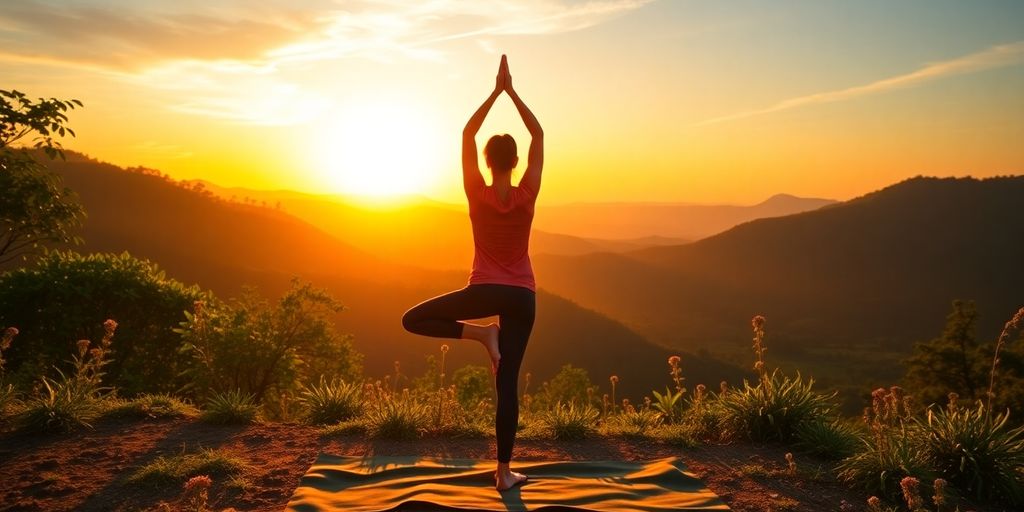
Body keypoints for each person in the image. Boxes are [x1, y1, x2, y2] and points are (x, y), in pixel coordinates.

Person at [401, 54, 543, 492]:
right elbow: (538, 132)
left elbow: (467, 132)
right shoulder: (527, 192)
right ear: (516, 161)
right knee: (508, 384)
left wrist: (495, 92)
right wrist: (512, 91)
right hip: (522, 297)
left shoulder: (476, 192)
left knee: (413, 319)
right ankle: (504, 473)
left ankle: (481, 335)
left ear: (486, 160)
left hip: (483, 291)